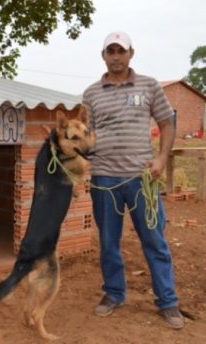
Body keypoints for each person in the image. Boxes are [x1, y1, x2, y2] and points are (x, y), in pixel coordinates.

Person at [82, 31, 184, 329]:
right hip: (104, 180)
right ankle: (114, 294)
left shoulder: (149, 85)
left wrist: (162, 158)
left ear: (131, 53)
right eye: (110, 51)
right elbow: (87, 135)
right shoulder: (91, 93)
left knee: (154, 240)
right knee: (108, 242)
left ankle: (168, 301)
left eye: (120, 51)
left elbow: (167, 122)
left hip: (142, 179)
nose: (116, 56)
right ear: (103, 55)